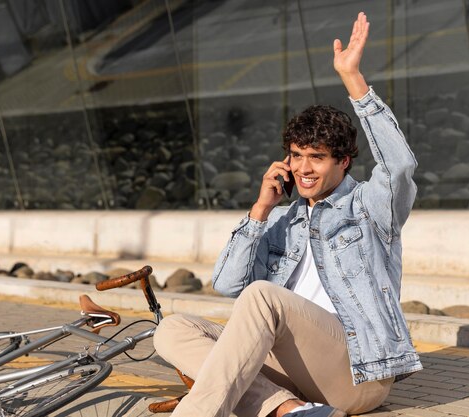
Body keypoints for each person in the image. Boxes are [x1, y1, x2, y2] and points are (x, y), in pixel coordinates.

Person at [153, 12, 422, 417]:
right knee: (172, 329)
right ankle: (290, 410)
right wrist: (261, 210)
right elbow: (228, 284)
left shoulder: (369, 207)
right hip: (295, 371)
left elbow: (399, 164)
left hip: (356, 372)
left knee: (263, 296)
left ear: (344, 161)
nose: (304, 168)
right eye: (297, 156)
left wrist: (353, 78)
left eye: (317, 158)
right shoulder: (284, 220)